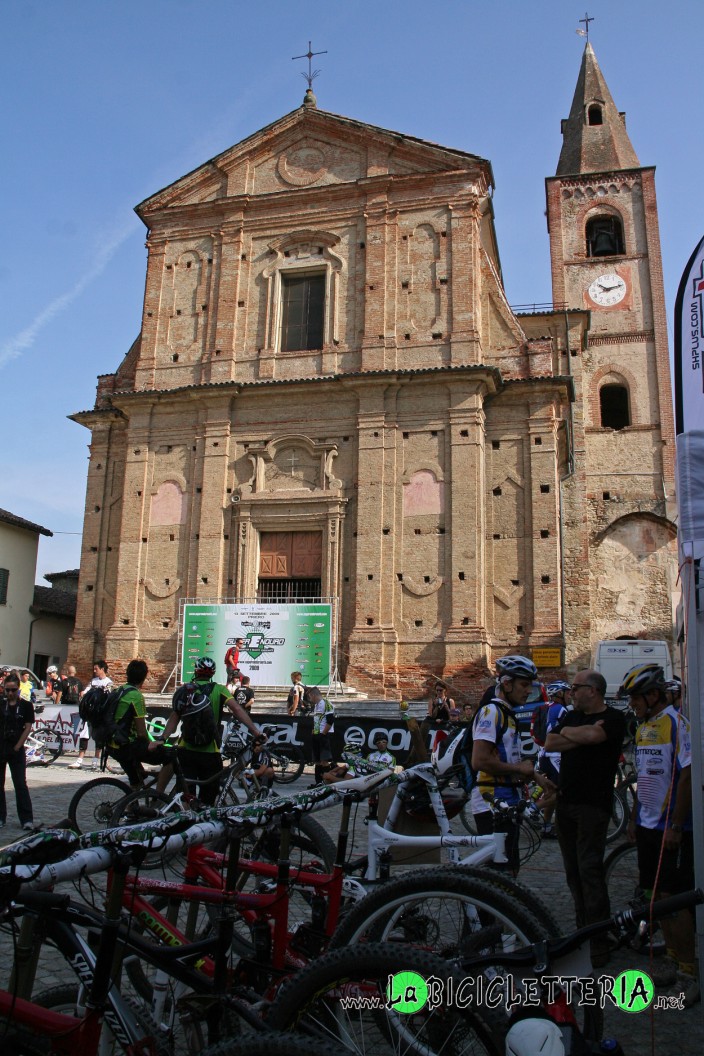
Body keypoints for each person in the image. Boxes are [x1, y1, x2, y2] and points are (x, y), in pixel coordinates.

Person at [619, 663, 698, 1006]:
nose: (632, 703)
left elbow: (686, 775)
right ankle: (671, 961)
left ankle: (689, 972)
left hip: (670, 827)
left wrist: (677, 825)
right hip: (649, 826)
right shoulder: (644, 727)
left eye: (636, 697)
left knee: (676, 900)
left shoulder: (677, 724)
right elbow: (644, 778)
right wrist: (635, 819)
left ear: (653, 695)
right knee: (657, 897)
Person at [545, 669, 625, 967]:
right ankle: (583, 930)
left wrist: (574, 735)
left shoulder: (615, 718)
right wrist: (578, 736)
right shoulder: (572, 716)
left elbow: (595, 735)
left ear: (592, 690)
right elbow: (551, 742)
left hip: (593, 805)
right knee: (572, 872)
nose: (571, 692)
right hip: (566, 803)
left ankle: (599, 940)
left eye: (576, 687)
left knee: (590, 870)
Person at [471, 655, 554, 874]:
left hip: (507, 803)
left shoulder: (508, 714)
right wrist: (519, 769)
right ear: (506, 683)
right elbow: (479, 760)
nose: (529, 691)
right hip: (491, 805)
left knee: (509, 874)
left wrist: (533, 775)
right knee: (498, 881)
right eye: (524, 685)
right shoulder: (492, 712)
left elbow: (505, 760)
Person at [153, 656, 262, 805]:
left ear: (196, 671)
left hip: (186, 749)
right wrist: (255, 731)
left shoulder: (186, 690)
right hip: (210, 751)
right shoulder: (219, 689)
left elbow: (175, 717)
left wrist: (163, 738)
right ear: (212, 673)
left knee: (186, 797)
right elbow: (237, 709)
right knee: (208, 799)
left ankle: (185, 823)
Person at [535, 680, 571, 838]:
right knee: (562, 792)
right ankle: (533, 809)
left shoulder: (548, 707)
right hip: (554, 755)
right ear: (559, 694)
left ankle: (546, 826)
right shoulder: (561, 709)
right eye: (567, 692)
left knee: (551, 791)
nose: (570, 695)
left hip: (545, 754)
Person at [0, 671, 35, 830]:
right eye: (7, 690)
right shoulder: (1, 704)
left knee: (20, 784)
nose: (10, 693)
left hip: (17, 747)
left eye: (13, 690)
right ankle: (1, 817)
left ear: (18, 689)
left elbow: (27, 727)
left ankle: (26, 819)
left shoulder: (26, 705)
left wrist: (18, 746)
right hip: (1, 746)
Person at [71, 660, 111, 770]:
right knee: (84, 735)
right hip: (90, 713)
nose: (94, 671)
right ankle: (79, 760)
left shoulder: (108, 682)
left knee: (98, 737)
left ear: (102, 669)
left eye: (96, 669)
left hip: (100, 714)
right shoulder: (93, 681)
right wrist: (84, 693)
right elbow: (87, 691)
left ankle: (95, 761)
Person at [308, 686, 335, 784]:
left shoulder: (326, 703)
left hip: (324, 735)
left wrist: (323, 734)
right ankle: (318, 782)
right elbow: (316, 720)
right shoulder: (316, 706)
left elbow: (330, 720)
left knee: (324, 761)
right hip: (316, 734)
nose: (310, 700)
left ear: (314, 695)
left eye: (310, 697)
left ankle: (327, 782)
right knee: (317, 761)